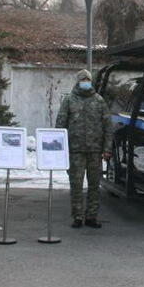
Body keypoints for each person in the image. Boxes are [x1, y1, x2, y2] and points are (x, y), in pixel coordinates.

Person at [55, 69, 112, 229]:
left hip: (95, 150)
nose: (85, 82)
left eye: (88, 79)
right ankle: (78, 216)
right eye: (83, 79)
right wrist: (60, 149)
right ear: (78, 81)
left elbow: (108, 127)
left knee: (94, 185)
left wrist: (107, 149)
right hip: (75, 150)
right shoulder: (69, 100)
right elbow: (60, 124)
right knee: (76, 184)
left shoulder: (99, 101)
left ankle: (92, 216)